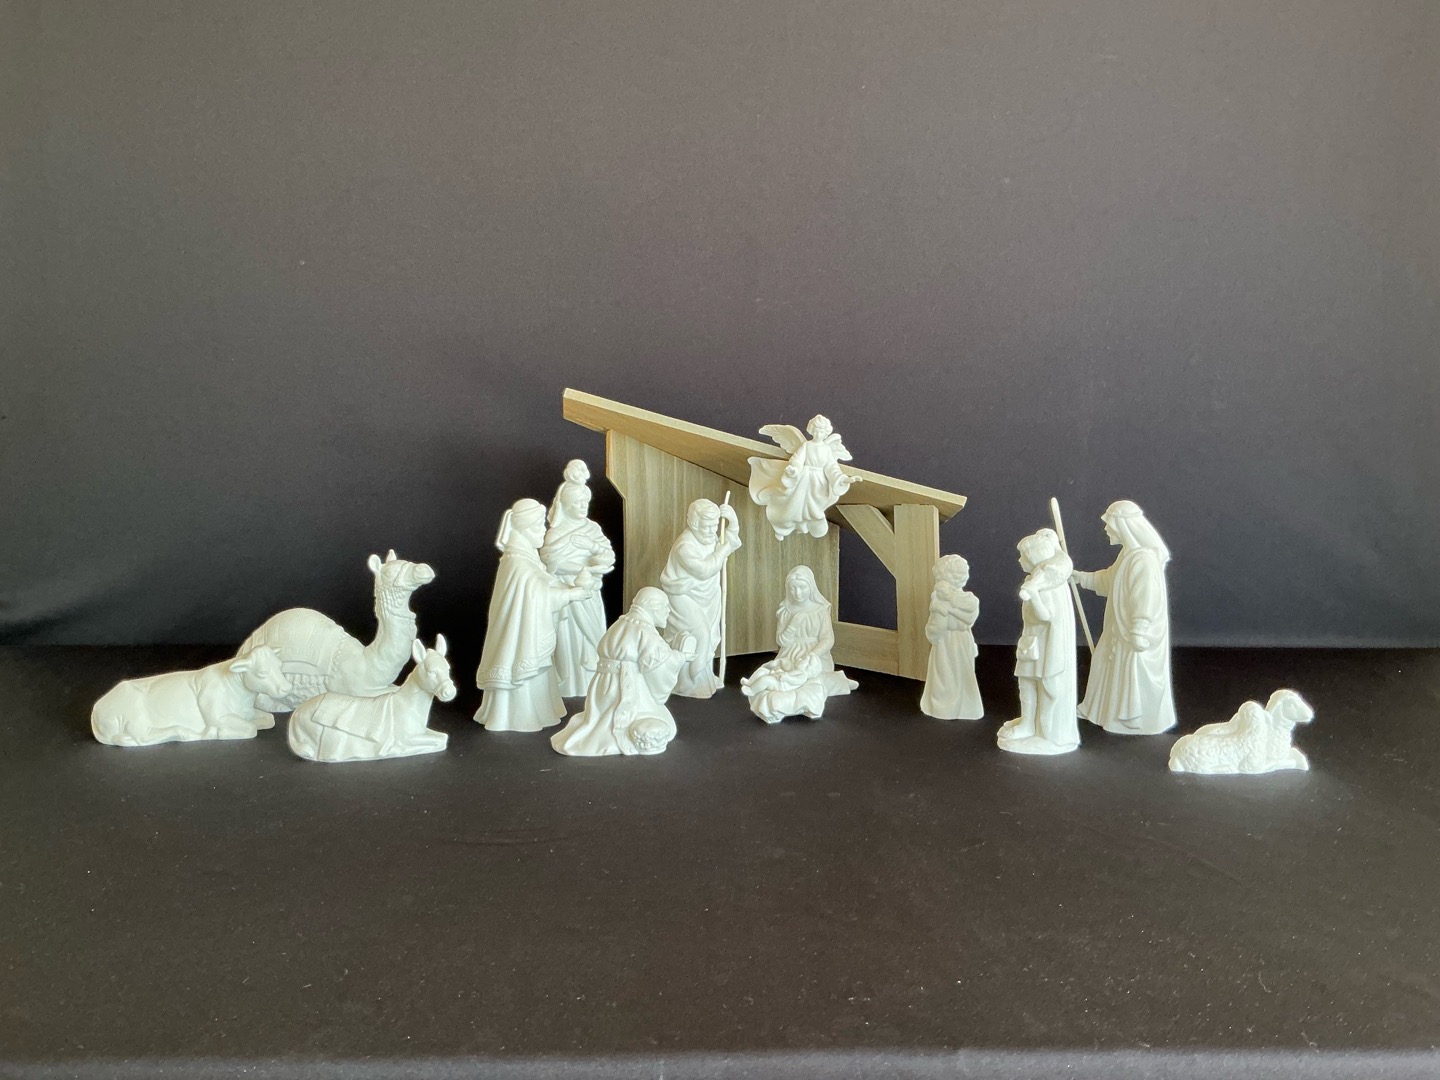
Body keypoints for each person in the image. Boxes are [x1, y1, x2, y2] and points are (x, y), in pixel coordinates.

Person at [475, 498, 596, 732]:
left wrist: (570, 589)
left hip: (528, 633)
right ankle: (519, 715)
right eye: (539, 526)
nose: (543, 531)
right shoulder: (517, 564)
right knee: (525, 676)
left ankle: (537, 710)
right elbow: (538, 599)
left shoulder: (527, 559)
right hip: (521, 637)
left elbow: (544, 585)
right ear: (525, 528)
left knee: (539, 677)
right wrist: (571, 594)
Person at [1072, 501, 1177, 735]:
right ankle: (1097, 710)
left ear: (1123, 526)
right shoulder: (1127, 555)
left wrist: (1139, 628)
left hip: (1134, 632)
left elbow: (1146, 596)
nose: (1106, 529)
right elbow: (1110, 580)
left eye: (1109, 525)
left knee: (1131, 673)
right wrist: (1082, 578)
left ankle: (1131, 718)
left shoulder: (1143, 560)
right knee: (1103, 662)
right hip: (1118, 629)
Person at [550, 588, 695, 757]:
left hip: (603, 683)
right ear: (652, 607)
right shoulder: (644, 630)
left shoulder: (622, 623)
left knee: (602, 718)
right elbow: (661, 664)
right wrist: (681, 656)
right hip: (626, 686)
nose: (668, 611)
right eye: (665, 607)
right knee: (659, 723)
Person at [997, 529, 1079, 755]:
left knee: (1046, 686)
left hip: (1046, 645)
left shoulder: (1049, 585)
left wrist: (1033, 594)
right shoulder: (1036, 580)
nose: (1019, 560)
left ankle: (1047, 733)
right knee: (1026, 683)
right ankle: (1027, 723)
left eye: (1023, 555)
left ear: (1034, 557)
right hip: (1032, 641)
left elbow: (1047, 616)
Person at [740, 565, 857, 722]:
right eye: (793, 588)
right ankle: (758, 689)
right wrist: (793, 625)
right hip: (789, 654)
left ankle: (839, 683)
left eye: (802, 587)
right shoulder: (786, 610)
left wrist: (812, 655)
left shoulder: (820, 611)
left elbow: (828, 639)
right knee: (775, 674)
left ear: (811, 587)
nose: (798, 593)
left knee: (812, 679)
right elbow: (781, 641)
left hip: (814, 657)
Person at [540, 460, 615, 697]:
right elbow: (549, 562)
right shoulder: (555, 533)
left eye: (586, 502)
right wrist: (581, 569)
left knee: (591, 638)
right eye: (578, 503)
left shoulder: (592, 529)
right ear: (565, 504)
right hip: (565, 593)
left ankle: (591, 679)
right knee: (567, 638)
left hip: (589, 593)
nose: (583, 507)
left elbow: (608, 554)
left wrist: (592, 547)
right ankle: (568, 681)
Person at [659, 497, 742, 698]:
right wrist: (722, 551)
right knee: (700, 633)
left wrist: (733, 522)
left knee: (710, 634)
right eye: (707, 526)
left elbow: (729, 540)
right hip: (683, 595)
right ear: (694, 524)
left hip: (708, 595)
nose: (712, 531)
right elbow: (705, 570)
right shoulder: (685, 546)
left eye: (715, 525)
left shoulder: (708, 536)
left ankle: (703, 677)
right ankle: (688, 681)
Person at [747, 414, 859, 540]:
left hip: (818, 483)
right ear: (811, 430)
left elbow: (832, 467)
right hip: (803, 479)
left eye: (821, 431)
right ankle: (783, 527)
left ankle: (808, 524)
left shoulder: (827, 449)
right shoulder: (807, 446)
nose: (818, 434)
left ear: (826, 432)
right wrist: (793, 470)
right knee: (793, 504)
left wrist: (843, 479)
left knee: (814, 507)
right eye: (816, 430)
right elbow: (797, 460)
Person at [919, 554, 984, 720]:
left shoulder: (940, 601)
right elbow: (969, 619)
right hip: (964, 639)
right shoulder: (971, 600)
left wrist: (932, 634)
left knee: (945, 673)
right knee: (963, 671)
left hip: (946, 641)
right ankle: (966, 705)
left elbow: (937, 626)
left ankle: (943, 706)